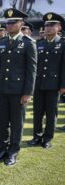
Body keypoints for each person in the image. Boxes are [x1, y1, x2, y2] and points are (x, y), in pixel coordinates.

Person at [0, 8, 37, 166]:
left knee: (17, 123)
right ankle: (1, 149)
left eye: (13, 22)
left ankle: (13, 152)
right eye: (8, 22)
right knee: (2, 122)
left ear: (21, 24)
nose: (10, 25)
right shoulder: (1, 42)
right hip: (2, 89)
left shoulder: (28, 43)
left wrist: (28, 93)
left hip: (18, 91)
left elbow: (32, 70)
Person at [27, 12, 65, 149]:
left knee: (51, 113)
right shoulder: (39, 43)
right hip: (38, 84)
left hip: (53, 85)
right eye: (46, 25)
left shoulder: (62, 43)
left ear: (59, 27)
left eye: (52, 25)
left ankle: (47, 138)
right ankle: (36, 136)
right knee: (37, 112)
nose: (48, 28)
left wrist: (63, 85)